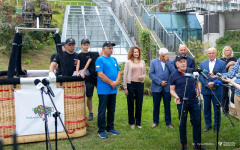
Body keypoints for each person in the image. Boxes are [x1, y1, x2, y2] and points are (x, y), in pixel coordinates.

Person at [170, 55, 204, 150]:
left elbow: (199, 83)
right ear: (176, 64)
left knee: (197, 123)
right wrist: (176, 96)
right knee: (182, 124)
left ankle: (197, 144)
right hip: (182, 102)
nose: (183, 63)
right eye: (180, 61)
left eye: (184, 61)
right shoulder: (173, 75)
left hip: (194, 102)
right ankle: (183, 144)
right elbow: (172, 90)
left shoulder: (192, 71)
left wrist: (198, 89)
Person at [95, 41, 121, 139]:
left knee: (111, 109)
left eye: (112, 48)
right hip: (104, 90)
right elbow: (100, 74)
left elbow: (119, 72)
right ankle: (101, 130)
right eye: (109, 48)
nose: (111, 49)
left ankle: (110, 128)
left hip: (113, 89)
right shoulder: (100, 59)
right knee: (102, 110)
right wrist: (111, 82)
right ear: (104, 49)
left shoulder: (114, 59)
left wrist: (116, 82)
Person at [199, 47, 226, 133]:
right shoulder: (203, 64)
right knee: (206, 109)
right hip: (206, 89)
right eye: (209, 53)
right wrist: (206, 84)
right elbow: (200, 76)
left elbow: (222, 76)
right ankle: (208, 125)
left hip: (217, 89)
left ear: (216, 53)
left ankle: (216, 127)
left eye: (213, 53)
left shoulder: (222, 63)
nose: (211, 55)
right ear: (207, 54)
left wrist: (214, 83)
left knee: (217, 109)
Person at [149, 48, 175, 129]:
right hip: (156, 87)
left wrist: (167, 63)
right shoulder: (153, 62)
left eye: (166, 55)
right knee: (156, 105)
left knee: (167, 105)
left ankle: (168, 122)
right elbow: (151, 74)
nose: (165, 57)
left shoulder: (170, 62)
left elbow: (174, 73)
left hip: (167, 88)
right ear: (159, 55)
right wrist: (160, 82)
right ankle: (155, 121)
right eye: (163, 56)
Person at [123, 46, 146, 129]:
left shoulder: (142, 62)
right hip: (130, 85)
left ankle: (138, 122)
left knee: (139, 104)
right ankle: (132, 122)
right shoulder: (128, 62)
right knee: (131, 104)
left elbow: (144, 73)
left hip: (140, 84)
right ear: (132, 53)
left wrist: (142, 77)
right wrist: (125, 87)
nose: (136, 53)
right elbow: (125, 75)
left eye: (138, 52)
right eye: (135, 52)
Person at [74, 38, 95, 121]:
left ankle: (91, 113)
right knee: (78, 95)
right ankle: (79, 113)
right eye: (84, 45)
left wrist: (83, 72)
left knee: (89, 96)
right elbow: (78, 64)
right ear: (81, 45)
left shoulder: (91, 54)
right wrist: (76, 72)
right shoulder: (79, 55)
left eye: (87, 45)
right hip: (80, 75)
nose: (86, 46)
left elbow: (87, 64)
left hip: (88, 77)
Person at [220, 46, 237, 114]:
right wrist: (228, 65)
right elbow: (221, 70)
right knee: (224, 94)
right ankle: (225, 109)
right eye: (226, 50)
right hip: (224, 78)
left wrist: (234, 63)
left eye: (229, 50)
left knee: (233, 93)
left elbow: (236, 68)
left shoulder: (234, 59)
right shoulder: (221, 59)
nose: (227, 51)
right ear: (224, 51)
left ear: (231, 51)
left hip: (232, 78)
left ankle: (234, 109)